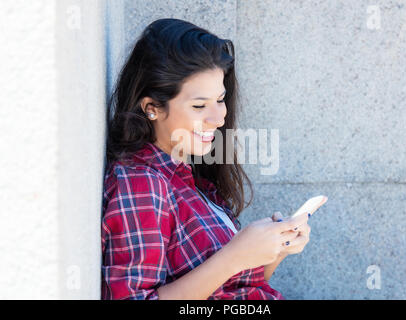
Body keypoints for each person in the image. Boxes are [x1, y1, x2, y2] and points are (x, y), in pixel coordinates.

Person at [102, 18, 311, 300]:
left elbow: (232, 291)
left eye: (220, 99)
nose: (218, 117)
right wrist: (235, 257)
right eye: (199, 105)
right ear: (152, 108)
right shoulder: (142, 183)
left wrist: (274, 248)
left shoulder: (188, 179)